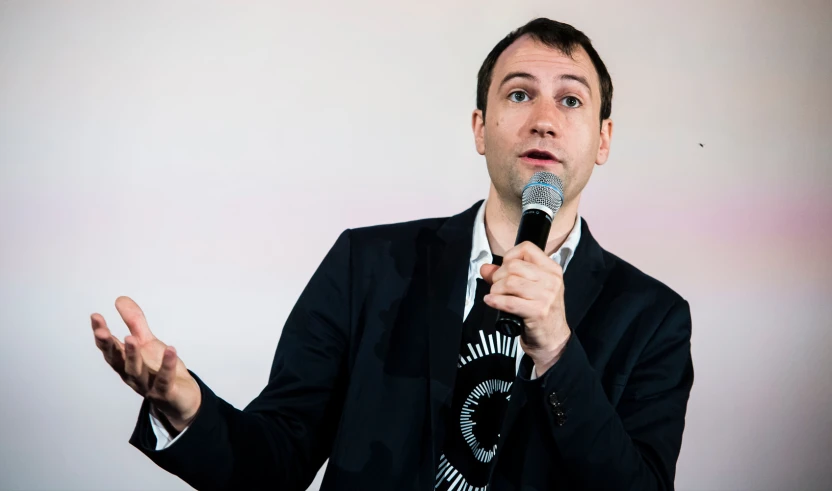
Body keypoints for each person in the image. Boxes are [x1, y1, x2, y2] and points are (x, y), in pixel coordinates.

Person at [91, 17, 693, 491]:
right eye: (518, 94)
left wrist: (558, 351)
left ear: (604, 138)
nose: (542, 120)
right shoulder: (366, 265)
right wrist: (184, 405)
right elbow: (272, 463)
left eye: (570, 101)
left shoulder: (653, 319)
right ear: (480, 128)